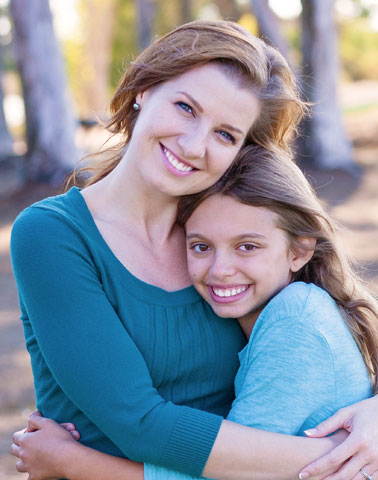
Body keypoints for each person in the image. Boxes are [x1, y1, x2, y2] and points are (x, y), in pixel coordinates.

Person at [9, 19, 378, 480]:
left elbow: (335, 318)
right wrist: (345, 460)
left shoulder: (229, 233)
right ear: (144, 89)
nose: (194, 144)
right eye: (185, 107)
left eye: (226, 134)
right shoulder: (52, 235)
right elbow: (139, 424)